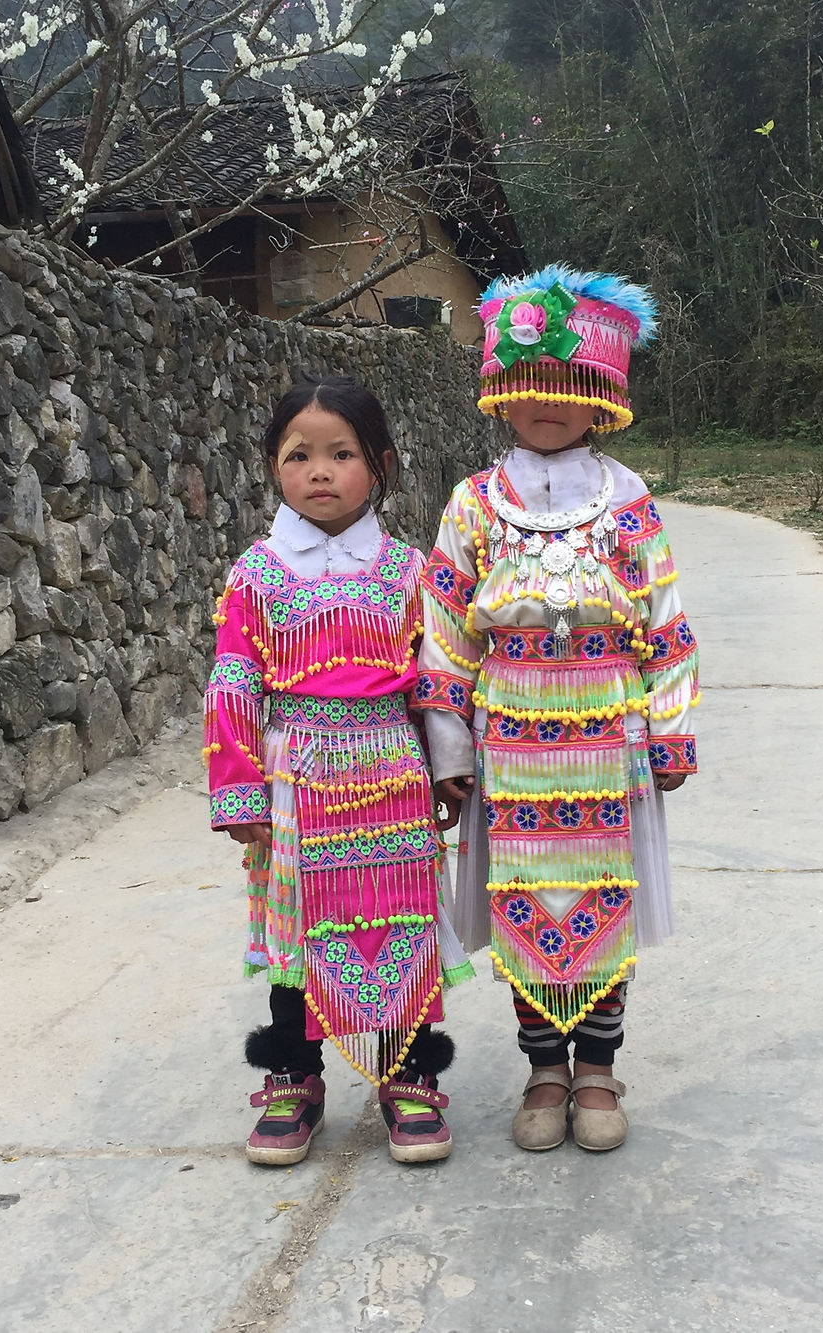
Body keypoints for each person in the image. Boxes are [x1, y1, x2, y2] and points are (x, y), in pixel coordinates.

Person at [415, 265, 699, 1153]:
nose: (550, 404)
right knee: (525, 899)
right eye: (533, 386)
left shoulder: (629, 503)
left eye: (572, 386)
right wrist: (450, 750)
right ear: (503, 392)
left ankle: (600, 1068)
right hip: (513, 747)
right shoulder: (473, 503)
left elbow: (664, 619)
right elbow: (444, 631)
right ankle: (544, 1066)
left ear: (602, 396)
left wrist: (672, 726)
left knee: (602, 901)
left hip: (608, 736)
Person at [204, 374, 472, 1167]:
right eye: (299, 455)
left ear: (381, 463)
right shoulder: (255, 574)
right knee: (296, 934)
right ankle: (294, 1076)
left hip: (391, 774)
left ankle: (410, 1074)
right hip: (295, 780)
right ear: (273, 468)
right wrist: (239, 788)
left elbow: (436, 673)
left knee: (400, 922)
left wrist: (449, 762)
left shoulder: (407, 571)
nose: (319, 471)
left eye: (342, 453)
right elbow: (232, 681)